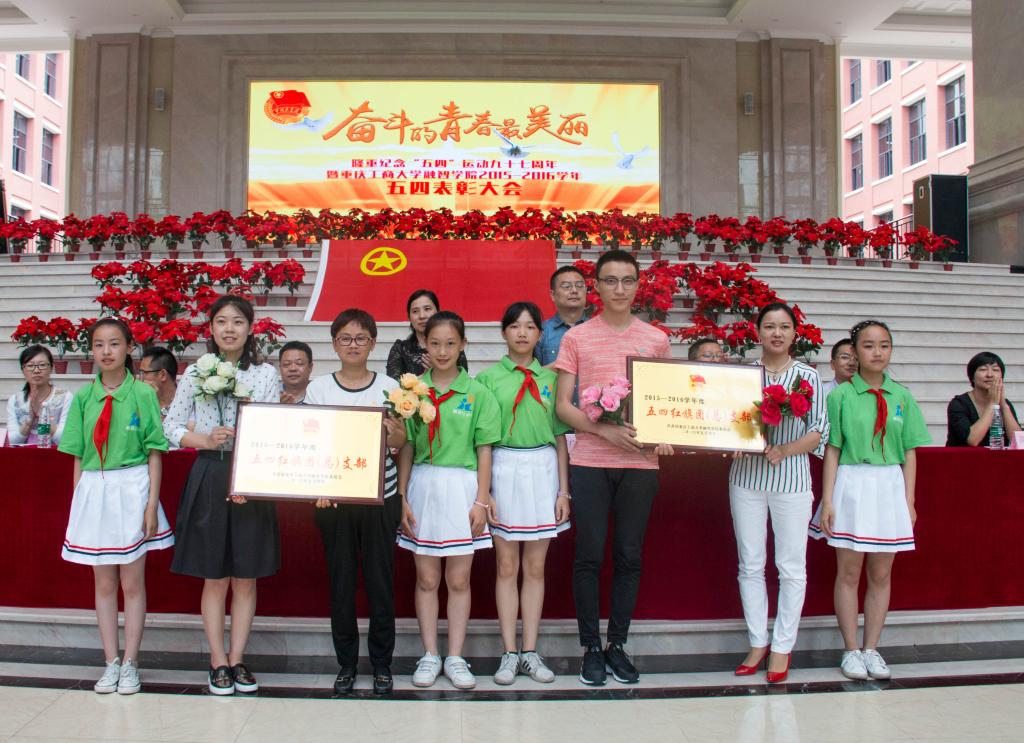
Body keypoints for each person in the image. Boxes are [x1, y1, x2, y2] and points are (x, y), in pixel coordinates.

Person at [553, 249, 676, 686]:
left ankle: (617, 645)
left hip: (640, 465)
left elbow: (665, 400)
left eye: (627, 281)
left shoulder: (655, 340)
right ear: (597, 287)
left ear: (638, 286)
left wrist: (666, 432)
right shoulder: (578, 338)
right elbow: (562, 406)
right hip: (590, 462)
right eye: (610, 281)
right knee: (588, 555)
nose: (619, 289)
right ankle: (590, 647)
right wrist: (605, 432)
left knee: (629, 555)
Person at [163, 295, 282, 696]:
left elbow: (272, 427)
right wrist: (203, 439)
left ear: (250, 328)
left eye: (237, 321)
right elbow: (171, 426)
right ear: (211, 328)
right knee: (215, 577)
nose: (229, 329)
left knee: (246, 577)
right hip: (211, 474)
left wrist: (251, 474)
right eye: (221, 322)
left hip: (251, 474)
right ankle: (217, 662)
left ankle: (238, 658)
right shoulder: (196, 371)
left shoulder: (265, 374)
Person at [809, 320, 931, 681]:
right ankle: (851, 650)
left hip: (889, 485)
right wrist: (828, 500)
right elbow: (833, 449)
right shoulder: (841, 396)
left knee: (881, 573)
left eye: (884, 345)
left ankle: (872, 648)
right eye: (868, 345)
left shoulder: (902, 396)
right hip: (852, 482)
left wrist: (909, 499)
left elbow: (909, 452)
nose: (877, 352)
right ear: (855, 352)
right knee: (848, 572)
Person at [57, 318, 172, 695]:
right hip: (95, 489)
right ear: (91, 349)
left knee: (132, 582)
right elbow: (78, 455)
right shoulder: (83, 398)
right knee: (104, 583)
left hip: (132, 487)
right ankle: (110, 661)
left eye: (114, 344)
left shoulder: (142, 394)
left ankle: (131, 663)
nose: (106, 351)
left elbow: (154, 452)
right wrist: (80, 503)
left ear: (129, 348)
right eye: (99, 344)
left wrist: (151, 506)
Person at [304, 309, 407, 696]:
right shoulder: (319, 389)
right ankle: (346, 664)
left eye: (360, 338)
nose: (353, 345)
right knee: (342, 583)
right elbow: (310, 443)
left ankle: (382, 664)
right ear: (334, 344)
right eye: (345, 338)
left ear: (373, 343)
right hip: (333, 501)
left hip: (381, 496)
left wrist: (394, 433)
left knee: (381, 584)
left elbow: (401, 442)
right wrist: (319, 486)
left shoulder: (390, 387)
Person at [396, 311, 501, 690]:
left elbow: (485, 449)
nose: (442, 351)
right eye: (435, 343)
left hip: (462, 488)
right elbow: (406, 447)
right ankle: (429, 654)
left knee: (458, 579)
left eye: (451, 344)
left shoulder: (478, 393)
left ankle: (455, 656)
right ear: (424, 343)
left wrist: (482, 500)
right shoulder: (412, 392)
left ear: (463, 345)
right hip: (423, 486)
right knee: (426, 579)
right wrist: (402, 496)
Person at [729, 303, 828, 684]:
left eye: (784, 327)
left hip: (792, 481)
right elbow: (731, 422)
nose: (776, 333)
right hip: (746, 480)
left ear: (794, 334)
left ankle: (783, 646)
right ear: (757, 332)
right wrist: (735, 441)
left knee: (791, 567)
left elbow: (819, 430)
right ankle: (758, 642)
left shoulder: (807, 376)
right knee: (750, 563)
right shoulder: (744, 375)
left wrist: (785, 449)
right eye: (769, 326)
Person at [477, 301, 571, 686]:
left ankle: (530, 651)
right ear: (503, 332)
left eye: (530, 326)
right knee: (506, 566)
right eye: (514, 325)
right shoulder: (486, 380)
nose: (521, 332)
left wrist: (564, 490)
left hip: (542, 469)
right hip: (502, 467)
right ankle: (508, 653)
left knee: (535, 567)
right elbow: (481, 441)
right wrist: (485, 491)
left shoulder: (552, 379)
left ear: (539, 334)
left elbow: (560, 438)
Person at [386, 289, 468, 378]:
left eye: (427, 309)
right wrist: (427, 375)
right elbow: (392, 384)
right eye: (415, 311)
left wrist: (441, 368)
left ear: (437, 312)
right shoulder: (400, 348)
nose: (422, 316)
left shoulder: (453, 345)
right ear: (409, 317)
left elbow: (463, 380)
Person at [946, 351, 1021, 447]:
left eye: (995, 370)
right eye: (983, 369)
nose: (990, 375)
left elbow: (1019, 442)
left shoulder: (1005, 404)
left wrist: (1003, 405)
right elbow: (972, 440)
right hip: (964, 456)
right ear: (972, 376)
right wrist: (992, 404)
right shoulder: (959, 404)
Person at [6, 345, 72, 446]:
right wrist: (30, 420)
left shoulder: (65, 397)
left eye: (42, 365)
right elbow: (12, 441)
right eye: (30, 365)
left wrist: (42, 414)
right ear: (23, 370)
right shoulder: (15, 400)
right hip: (24, 455)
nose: (36, 370)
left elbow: (65, 440)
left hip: (55, 454)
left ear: (51, 368)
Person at [535, 266, 589, 366]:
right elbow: (534, 373)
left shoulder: (598, 330)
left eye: (579, 285)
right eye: (566, 286)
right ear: (553, 295)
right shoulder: (541, 332)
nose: (574, 290)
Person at [137, 347, 179, 420]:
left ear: (163, 375)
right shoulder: (141, 399)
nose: (141, 379)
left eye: (145, 373)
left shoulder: (188, 402)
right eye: (140, 373)